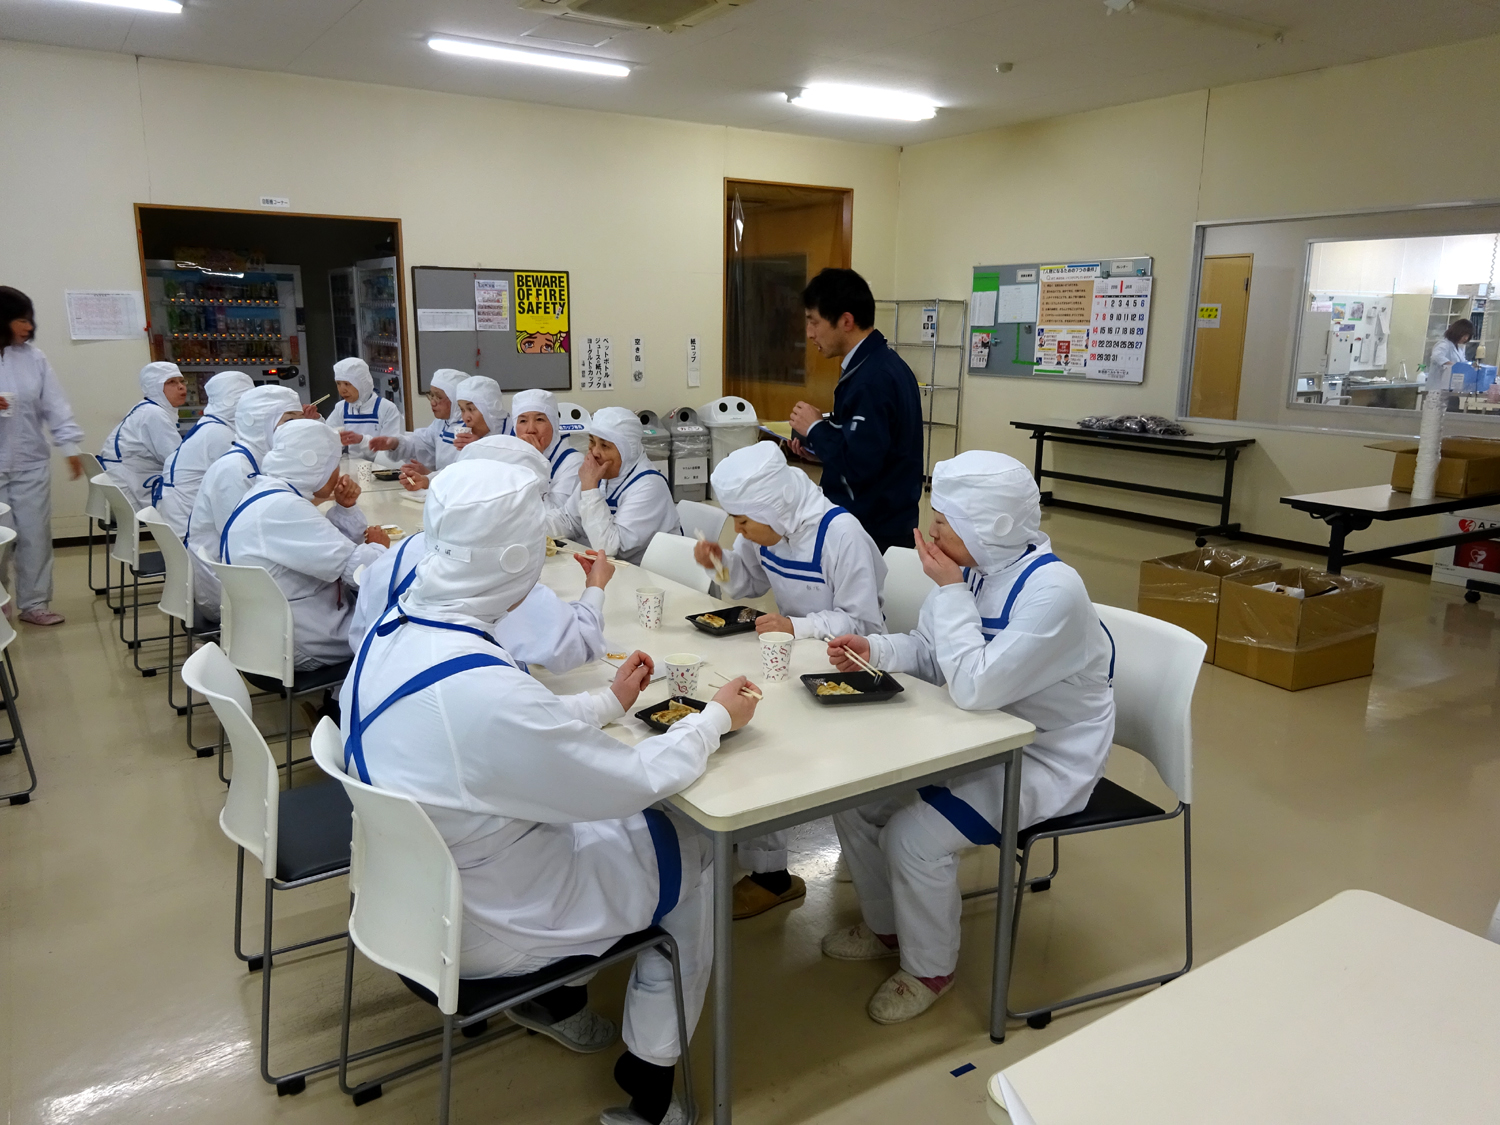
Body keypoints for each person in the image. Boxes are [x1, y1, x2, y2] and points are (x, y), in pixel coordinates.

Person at [339, 460, 758, 1125]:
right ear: (514, 558)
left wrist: (605, 703)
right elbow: (629, 782)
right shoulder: (483, 693)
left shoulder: (396, 634)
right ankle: (651, 1083)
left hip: (411, 898)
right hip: (490, 922)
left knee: (624, 835)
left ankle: (565, 999)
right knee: (696, 849)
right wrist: (712, 721)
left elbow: (499, 728)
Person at [820, 451, 1115, 1025]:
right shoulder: (974, 569)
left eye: (944, 520)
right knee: (855, 801)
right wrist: (873, 650)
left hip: (1045, 756)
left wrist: (951, 591)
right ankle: (886, 927)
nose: (931, 530)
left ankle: (930, 968)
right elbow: (933, 653)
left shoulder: (1051, 591)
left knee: (912, 836)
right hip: (975, 735)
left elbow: (975, 685)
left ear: (991, 525)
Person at [695, 439, 888, 919]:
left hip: (848, 667)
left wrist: (796, 626)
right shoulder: (768, 525)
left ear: (772, 507)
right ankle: (764, 862)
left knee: (767, 739)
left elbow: (863, 623)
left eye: (743, 521)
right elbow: (750, 582)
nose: (738, 530)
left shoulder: (840, 534)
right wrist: (719, 563)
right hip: (796, 658)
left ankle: (772, 874)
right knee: (750, 725)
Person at [346, 434, 611, 672]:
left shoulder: (403, 550)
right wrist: (595, 587)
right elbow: (579, 642)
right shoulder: (503, 582)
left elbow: (359, 635)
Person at [220, 420, 389, 670]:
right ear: (316, 465)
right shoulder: (283, 507)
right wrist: (380, 548)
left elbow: (324, 549)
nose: (338, 472)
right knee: (400, 621)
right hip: (302, 641)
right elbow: (361, 574)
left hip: (270, 632)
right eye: (334, 464)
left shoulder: (267, 493)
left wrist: (345, 509)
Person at [788, 268, 924, 555]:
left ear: (846, 321)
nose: (809, 333)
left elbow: (860, 466)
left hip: (871, 529)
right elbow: (871, 448)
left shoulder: (872, 379)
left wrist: (816, 428)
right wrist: (818, 449)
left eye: (814, 322)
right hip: (881, 521)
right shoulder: (879, 364)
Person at [0, 286, 86, 626]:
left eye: (30, 320)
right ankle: (0, 600)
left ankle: (35, 604)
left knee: (35, 535)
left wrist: (70, 447)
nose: (29, 327)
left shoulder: (34, 358)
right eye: (21, 320)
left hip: (30, 462)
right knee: (1, 539)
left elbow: (55, 405)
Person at [186, 385, 307, 619]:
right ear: (261, 423)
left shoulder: (256, 458)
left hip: (243, 574)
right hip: (227, 591)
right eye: (289, 420)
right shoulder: (235, 469)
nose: (298, 429)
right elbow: (246, 540)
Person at [152, 370, 254, 538]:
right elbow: (243, 483)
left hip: (182, 521)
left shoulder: (210, 424)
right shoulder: (220, 434)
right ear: (234, 401)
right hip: (192, 533)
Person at [575, 407, 681, 565]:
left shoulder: (649, 485)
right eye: (592, 442)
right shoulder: (602, 475)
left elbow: (608, 549)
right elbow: (568, 519)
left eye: (605, 446)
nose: (594, 452)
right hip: (617, 571)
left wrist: (590, 489)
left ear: (626, 451)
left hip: (649, 575)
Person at [100, 360, 186, 510]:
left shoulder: (146, 408)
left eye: (181, 381)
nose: (181, 386)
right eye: (171, 382)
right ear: (155, 387)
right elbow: (178, 461)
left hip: (125, 484)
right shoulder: (154, 413)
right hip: (132, 489)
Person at [366, 367, 465, 491]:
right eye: (431, 395)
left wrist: (428, 475)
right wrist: (395, 443)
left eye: (438, 397)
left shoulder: (469, 430)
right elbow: (420, 443)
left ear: (456, 399)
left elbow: (463, 472)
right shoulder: (442, 423)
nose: (432, 402)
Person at [510, 387, 584, 538]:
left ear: (554, 424)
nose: (530, 429)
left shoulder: (573, 462)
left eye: (539, 420)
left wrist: (534, 463)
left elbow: (557, 521)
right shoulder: (510, 458)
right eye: (523, 421)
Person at [325, 356, 403, 462]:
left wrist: (362, 440)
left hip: (382, 467)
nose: (342, 390)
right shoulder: (342, 407)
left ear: (362, 384)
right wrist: (316, 419)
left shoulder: (387, 408)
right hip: (353, 464)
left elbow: (391, 451)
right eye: (338, 383)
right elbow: (327, 438)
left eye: (347, 384)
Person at [452, 375, 508, 452]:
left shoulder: (516, 432)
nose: (465, 418)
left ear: (491, 409)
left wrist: (480, 448)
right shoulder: (466, 436)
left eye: (471, 409)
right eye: (462, 410)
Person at [1430, 318, 1473, 411]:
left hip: (1451, 388)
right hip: (1438, 388)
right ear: (1457, 332)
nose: (1466, 338)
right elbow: (1437, 356)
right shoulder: (1444, 344)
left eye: (1468, 336)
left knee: (1452, 413)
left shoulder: (1459, 348)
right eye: (1464, 335)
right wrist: (1453, 365)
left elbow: (1463, 362)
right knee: (1437, 414)